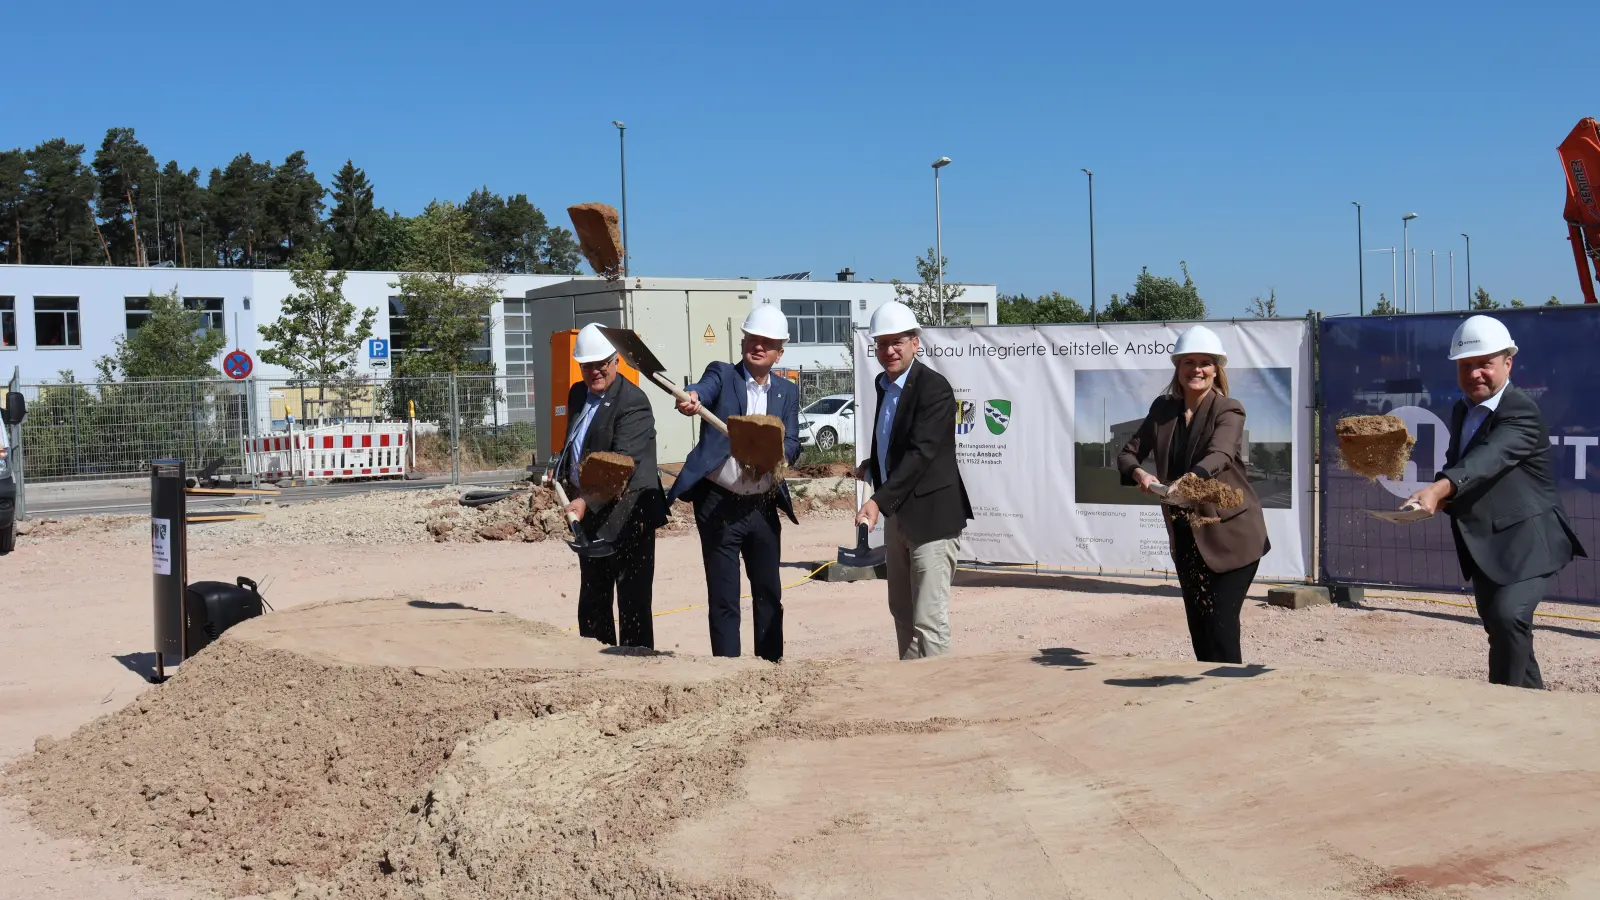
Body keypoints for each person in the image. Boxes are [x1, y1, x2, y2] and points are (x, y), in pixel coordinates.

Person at [1403, 315, 1586, 689]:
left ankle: (1502, 711)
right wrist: (1435, 494)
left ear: (1508, 362)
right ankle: (1535, 710)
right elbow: (1459, 466)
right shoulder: (1461, 410)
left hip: (1531, 542)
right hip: (1487, 544)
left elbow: (1489, 459)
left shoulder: (1521, 411)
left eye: (1484, 363)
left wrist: (1440, 490)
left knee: (1508, 617)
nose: (1475, 374)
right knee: (1503, 632)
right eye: (1466, 365)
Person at [1117, 324, 1269, 665]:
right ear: (1178, 368)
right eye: (1189, 362)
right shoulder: (1163, 410)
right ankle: (1207, 698)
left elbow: (1220, 454)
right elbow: (1127, 454)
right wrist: (1140, 473)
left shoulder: (1228, 409)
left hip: (1232, 537)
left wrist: (1188, 479)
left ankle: (1229, 695)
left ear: (1216, 370)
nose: (1196, 369)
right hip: (1186, 535)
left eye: (1205, 362)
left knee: (1220, 624)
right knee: (1199, 628)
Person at [669, 306, 802, 662]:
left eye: (767, 343)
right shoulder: (723, 375)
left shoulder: (787, 392)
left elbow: (793, 443)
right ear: (743, 340)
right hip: (719, 504)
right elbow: (700, 389)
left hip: (762, 505)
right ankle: (727, 675)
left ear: (779, 352)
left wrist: (773, 455)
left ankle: (770, 668)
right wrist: (691, 397)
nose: (758, 346)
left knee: (768, 593)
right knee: (725, 597)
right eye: (753, 339)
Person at [856, 300, 972, 660]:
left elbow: (921, 454)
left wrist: (876, 501)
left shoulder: (934, 389)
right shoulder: (885, 385)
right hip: (899, 517)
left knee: (928, 621)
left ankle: (939, 705)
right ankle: (910, 698)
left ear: (915, 343)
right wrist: (872, 465)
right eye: (882, 343)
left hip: (932, 521)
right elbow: (896, 442)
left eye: (897, 342)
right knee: (902, 613)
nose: (889, 350)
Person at [554, 322, 667, 649]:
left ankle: (637, 669)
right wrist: (561, 472)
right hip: (590, 514)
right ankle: (595, 666)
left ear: (615, 360)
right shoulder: (578, 393)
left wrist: (584, 500)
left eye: (600, 364)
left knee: (632, 603)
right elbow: (576, 443)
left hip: (630, 514)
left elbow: (619, 464)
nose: (594, 372)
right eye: (586, 365)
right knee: (592, 598)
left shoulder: (633, 402)